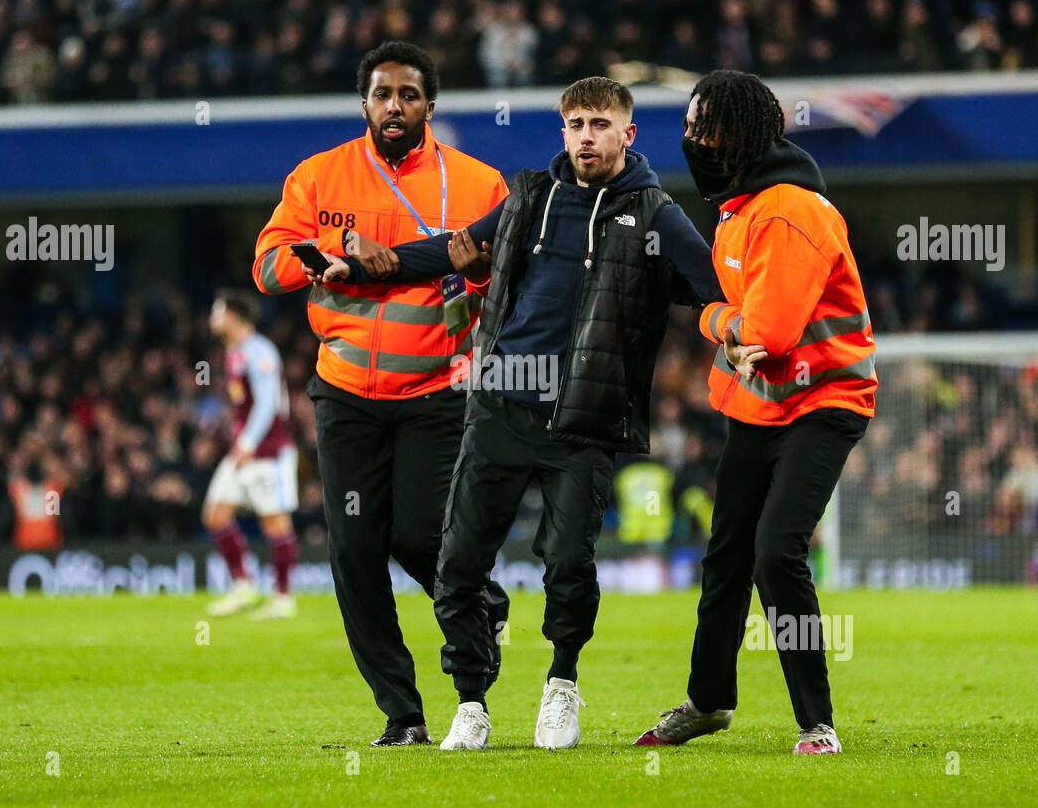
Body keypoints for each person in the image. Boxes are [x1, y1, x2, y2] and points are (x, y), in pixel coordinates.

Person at [312, 76, 725, 751]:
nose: (587, 136)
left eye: (600, 123)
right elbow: (450, 246)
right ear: (562, 132)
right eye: (576, 124)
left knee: (568, 565)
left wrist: (731, 323)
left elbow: (709, 284)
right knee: (458, 567)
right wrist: (363, 271)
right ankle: (471, 702)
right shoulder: (531, 195)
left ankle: (562, 684)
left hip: (583, 416)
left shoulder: (653, 213)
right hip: (500, 404)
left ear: (628, 133)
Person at [252, 41, 512, 746]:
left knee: (419, 534)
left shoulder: (481, 184)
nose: (393, 106)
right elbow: (267, 265)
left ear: (430, 104)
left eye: (407, 95)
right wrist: (311, 264)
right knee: (354, 549)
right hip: (345, 393)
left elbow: (510, 280)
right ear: (363, 104)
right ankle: (402, 713)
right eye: (381, 95)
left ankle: (479, 602)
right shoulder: (318, 178)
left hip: (436, 390)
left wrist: (480, 275)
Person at [634, 70, 877, 755]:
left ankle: (817, 722)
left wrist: (711, 315)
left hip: (824, 401)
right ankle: (709, 701)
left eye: (699, 125)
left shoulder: (790, 210)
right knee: (727, 558)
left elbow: (766, 332)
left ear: (736, 132)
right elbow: (742, 331)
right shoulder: (739, 208)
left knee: (776, 552)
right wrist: (728, 325)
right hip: (761, 407)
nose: (690, 139)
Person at [204, 290, 300, 622]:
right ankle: (243, 586)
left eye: (217, 312)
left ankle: (283, 597)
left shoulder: (260, 351)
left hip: (267, 451)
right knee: (215, 513)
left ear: (234, 316)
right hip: (245, 450)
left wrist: (246, 442)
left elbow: (268, 402)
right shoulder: (235, 352)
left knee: (274, 522)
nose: (212, 319)